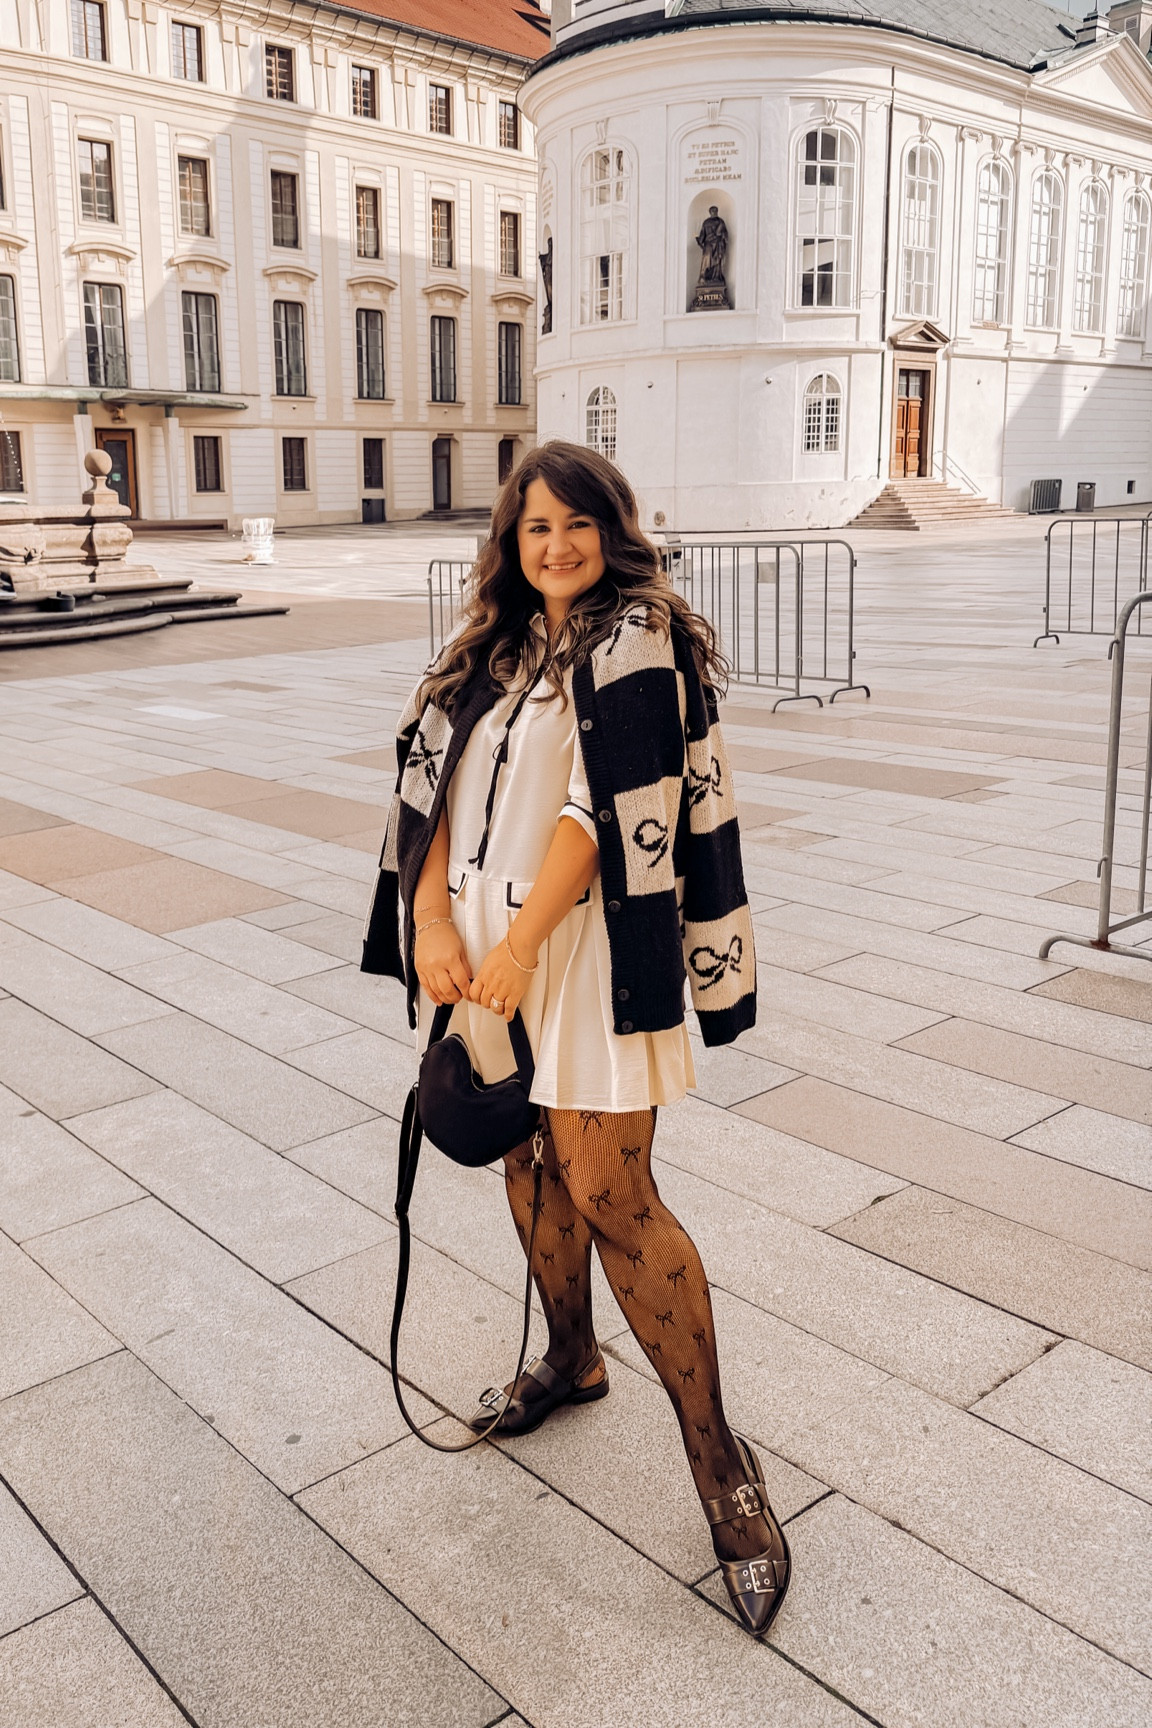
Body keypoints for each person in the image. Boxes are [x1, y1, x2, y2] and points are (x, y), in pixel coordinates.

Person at [364, 440, 790, 1636]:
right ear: (509, 542)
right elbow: (429, 784)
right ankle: (570, 1358)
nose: (555, 546)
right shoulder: (492, 653)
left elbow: (607, 810)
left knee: (614, 1194)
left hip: (590, 958)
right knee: (521, 1152)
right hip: (483, 958)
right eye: (533, 527)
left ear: (615, 530)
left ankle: (724, 1473)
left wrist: (514, 951)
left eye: (577, 524)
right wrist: (435, 915)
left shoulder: (637, 637)